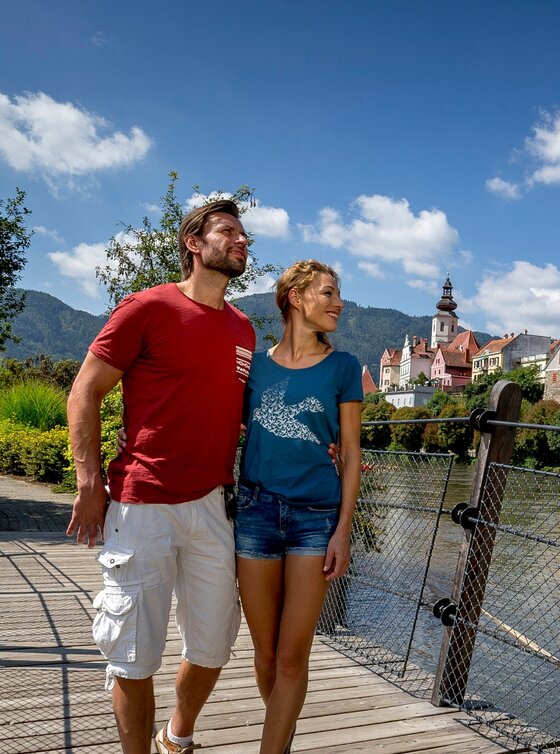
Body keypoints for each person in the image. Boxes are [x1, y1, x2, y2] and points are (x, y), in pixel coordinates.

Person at [66, 199, 254, 754]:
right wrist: (89, 482)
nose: (241, 241)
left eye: (244, 234)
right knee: (133, 655)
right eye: (228, 231)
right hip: (141, 503)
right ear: (194, 243)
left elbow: (245, 411)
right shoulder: (146, 307)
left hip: (214, 505)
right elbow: (85, 392)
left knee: (215, 645)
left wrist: (325, 443)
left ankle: (177, 735)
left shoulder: (243, 328)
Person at [235, 260, 362, 754]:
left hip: (315, 519)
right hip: (256, 513)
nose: (338, 303)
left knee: (291, 658)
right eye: (328, 293)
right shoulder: (255, 367)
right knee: (265, 656)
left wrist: (343, 529)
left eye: (338, 294)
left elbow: (350, 452)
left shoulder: (344, 367)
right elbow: (219, 424)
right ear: (295, 296)